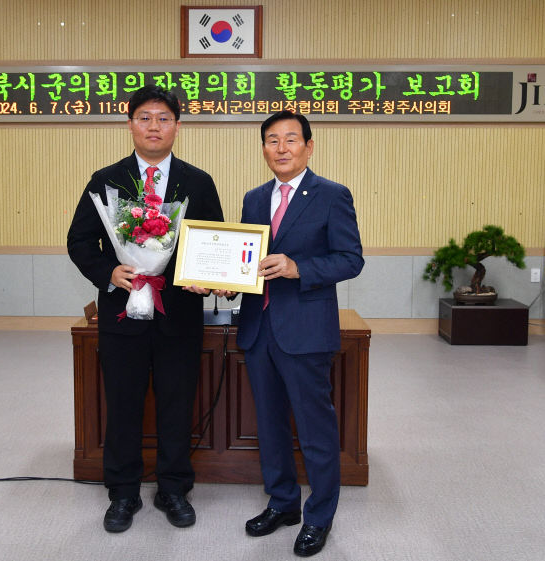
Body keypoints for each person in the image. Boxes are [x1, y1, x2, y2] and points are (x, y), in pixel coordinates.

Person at [67, 85, 224, 533]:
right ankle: (122, 491)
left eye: (164, 118)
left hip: (179, 312)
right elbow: (80, 241)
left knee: (177, 402)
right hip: (121, 314)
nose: (154, 126)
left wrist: (211, 277)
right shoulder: (106, 179)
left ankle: (174, 488)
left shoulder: (198, 182)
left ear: (177, 125)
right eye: (145, 117)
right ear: (130, 123)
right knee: (122, 402)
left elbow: (214, 243)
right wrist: (108, 271)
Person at [236, 111, 364, 557]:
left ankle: (320, 515)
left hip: (306, 329)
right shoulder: (253, 199)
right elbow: (243, 259)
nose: (281, 147)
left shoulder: (331, 195)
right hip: (257, 327)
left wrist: (299, 268)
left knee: (315, 429)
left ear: (309, 146)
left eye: (291, 139)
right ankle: (284, 502)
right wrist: (219, 276)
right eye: (272, 140)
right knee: (269, 425)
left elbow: (350, 259)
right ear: (264, 149)